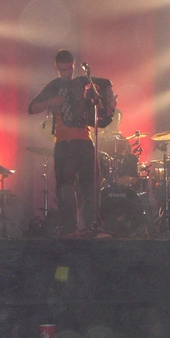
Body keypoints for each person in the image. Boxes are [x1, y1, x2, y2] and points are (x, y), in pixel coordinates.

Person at [28, 49, 116, 235]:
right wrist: (51, 101)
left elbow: (106, 83)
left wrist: (109, 103)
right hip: (64, 142)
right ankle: (69, 229)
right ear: (56, 68)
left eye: (70, 69)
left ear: (74, 66)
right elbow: (32, 108)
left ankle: (92, 226)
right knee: (66, 187)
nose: (67, 73)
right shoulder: (53, 86)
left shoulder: (83, 81)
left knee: (92, 184)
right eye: (63, 70)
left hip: (85, 140)